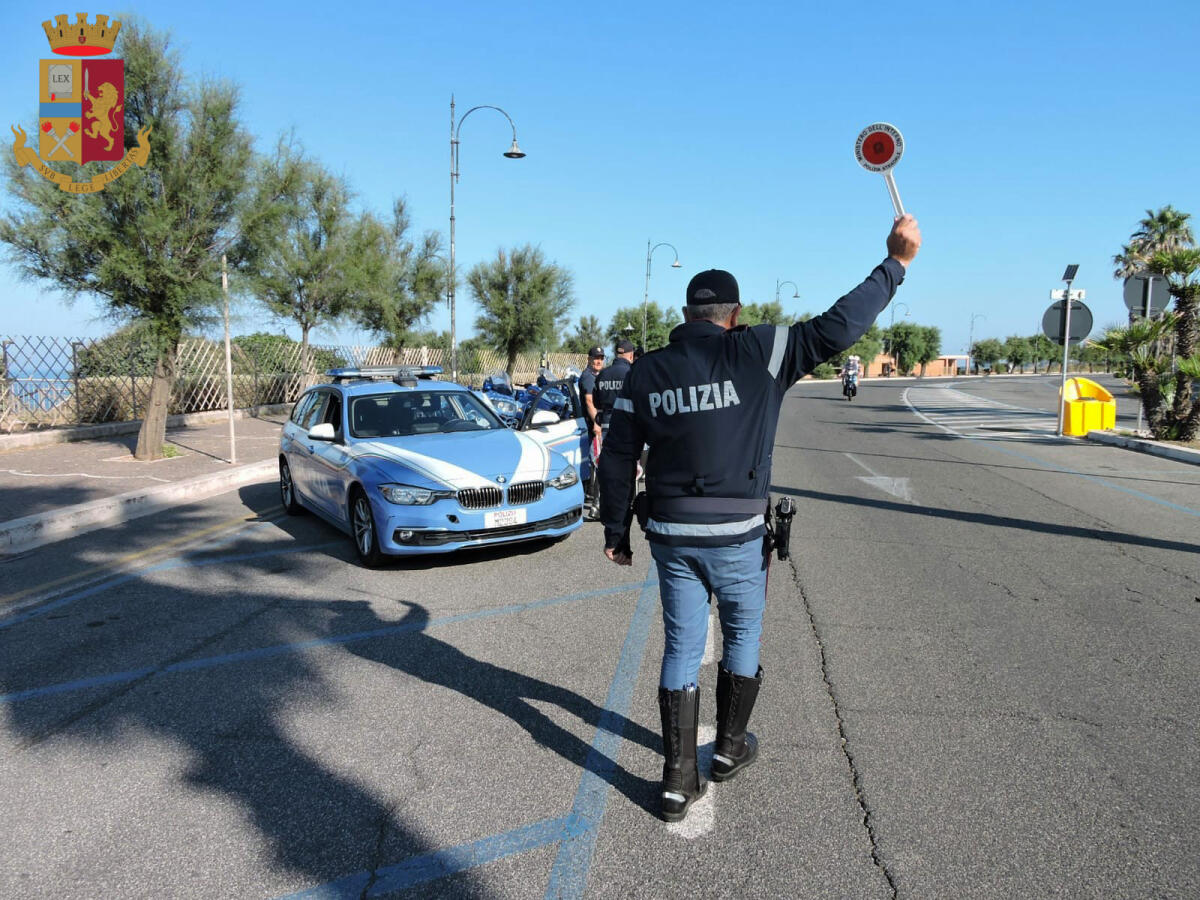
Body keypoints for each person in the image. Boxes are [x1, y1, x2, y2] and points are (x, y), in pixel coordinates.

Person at [598, 214, 921, 822]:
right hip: (738, 533)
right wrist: (895, 264)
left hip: (671, 533)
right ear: (735, 314)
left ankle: (676, 782)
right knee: (742, 634)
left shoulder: (646, 370)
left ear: (687, 314)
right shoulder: (764, 349)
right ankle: (727, 750)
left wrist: (615, 531)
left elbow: (616, 456)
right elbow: (840, 325)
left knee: (681, 645)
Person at [578, 346, 606, 519]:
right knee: (597, 463)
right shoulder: (588, 377)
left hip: (593, 426)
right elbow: (589, 401)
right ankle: (595, 504)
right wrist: (597, 423)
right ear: (588, 359)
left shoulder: (597, 375)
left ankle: (592, 496)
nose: (599, 361)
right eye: (596, 358)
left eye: (601, 358)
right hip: (592, 427)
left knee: (595, 463)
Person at [593, 339, 636, 442]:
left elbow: (597, 403)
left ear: (616, 354)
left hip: (606, 427)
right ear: (631, 355)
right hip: (628, 428)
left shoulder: (602, 374)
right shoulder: (632, 373)